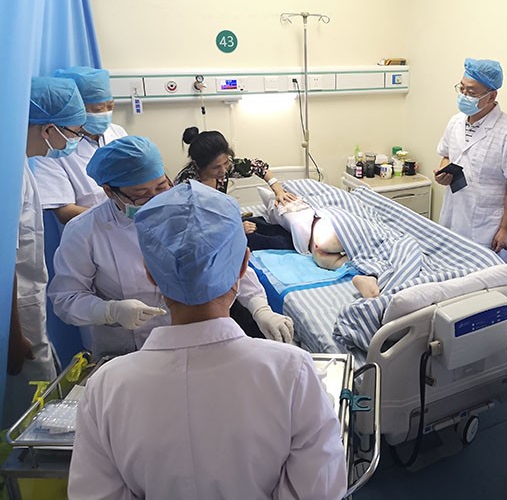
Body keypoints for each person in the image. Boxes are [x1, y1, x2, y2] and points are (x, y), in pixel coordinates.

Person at [68, 181, 347, 499]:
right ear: (244, 265)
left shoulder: (106, 388)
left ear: (150, 273)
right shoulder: (292, 372)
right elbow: (318, 491)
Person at [48, 137, 293, 360]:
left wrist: (259, 307)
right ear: (110, 191)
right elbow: (66, 298)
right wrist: (109, 311)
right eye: (141, 195)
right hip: (125, 350)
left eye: (161, 187)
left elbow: (225, 260)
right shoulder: (85, 231)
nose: (156, 199)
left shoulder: (186, 209)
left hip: (192, 339)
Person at [4, 77, 86, 427]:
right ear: (49, 129)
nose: (73, 142)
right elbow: (5, 264)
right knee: (22, 415)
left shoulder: (20, 164)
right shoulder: (9, 173)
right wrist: (13, 338)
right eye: (74, 133)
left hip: (23, 310)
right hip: (15, 321)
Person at [434, 58, 507, 260]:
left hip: (485, 227)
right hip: (452, 216)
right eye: (462, 89)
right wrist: (443, 173)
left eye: (472, 93)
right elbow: (446, 155)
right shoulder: (455, 122)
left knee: (483, 276)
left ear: (492, 96)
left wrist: (506, 229)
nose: (464, 96)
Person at [33, 66, 127, 224]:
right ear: (75, 108)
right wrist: (117, 217)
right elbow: (65, 212)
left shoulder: (117, 132)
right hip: (89, 230)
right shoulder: (53, 146)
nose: (105, 113)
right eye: (97, 109)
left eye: (110, 106)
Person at [175, 127, 296, 234]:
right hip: (205, 235)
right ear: (198, 166)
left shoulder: (227, 167)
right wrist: (233, 230)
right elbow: (189, 229)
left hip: (223, 223)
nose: (223, 171)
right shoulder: (186, 186)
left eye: (226, 163)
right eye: (216, 167)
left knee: (279, 232)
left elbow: (260, 167)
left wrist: (279, 191)